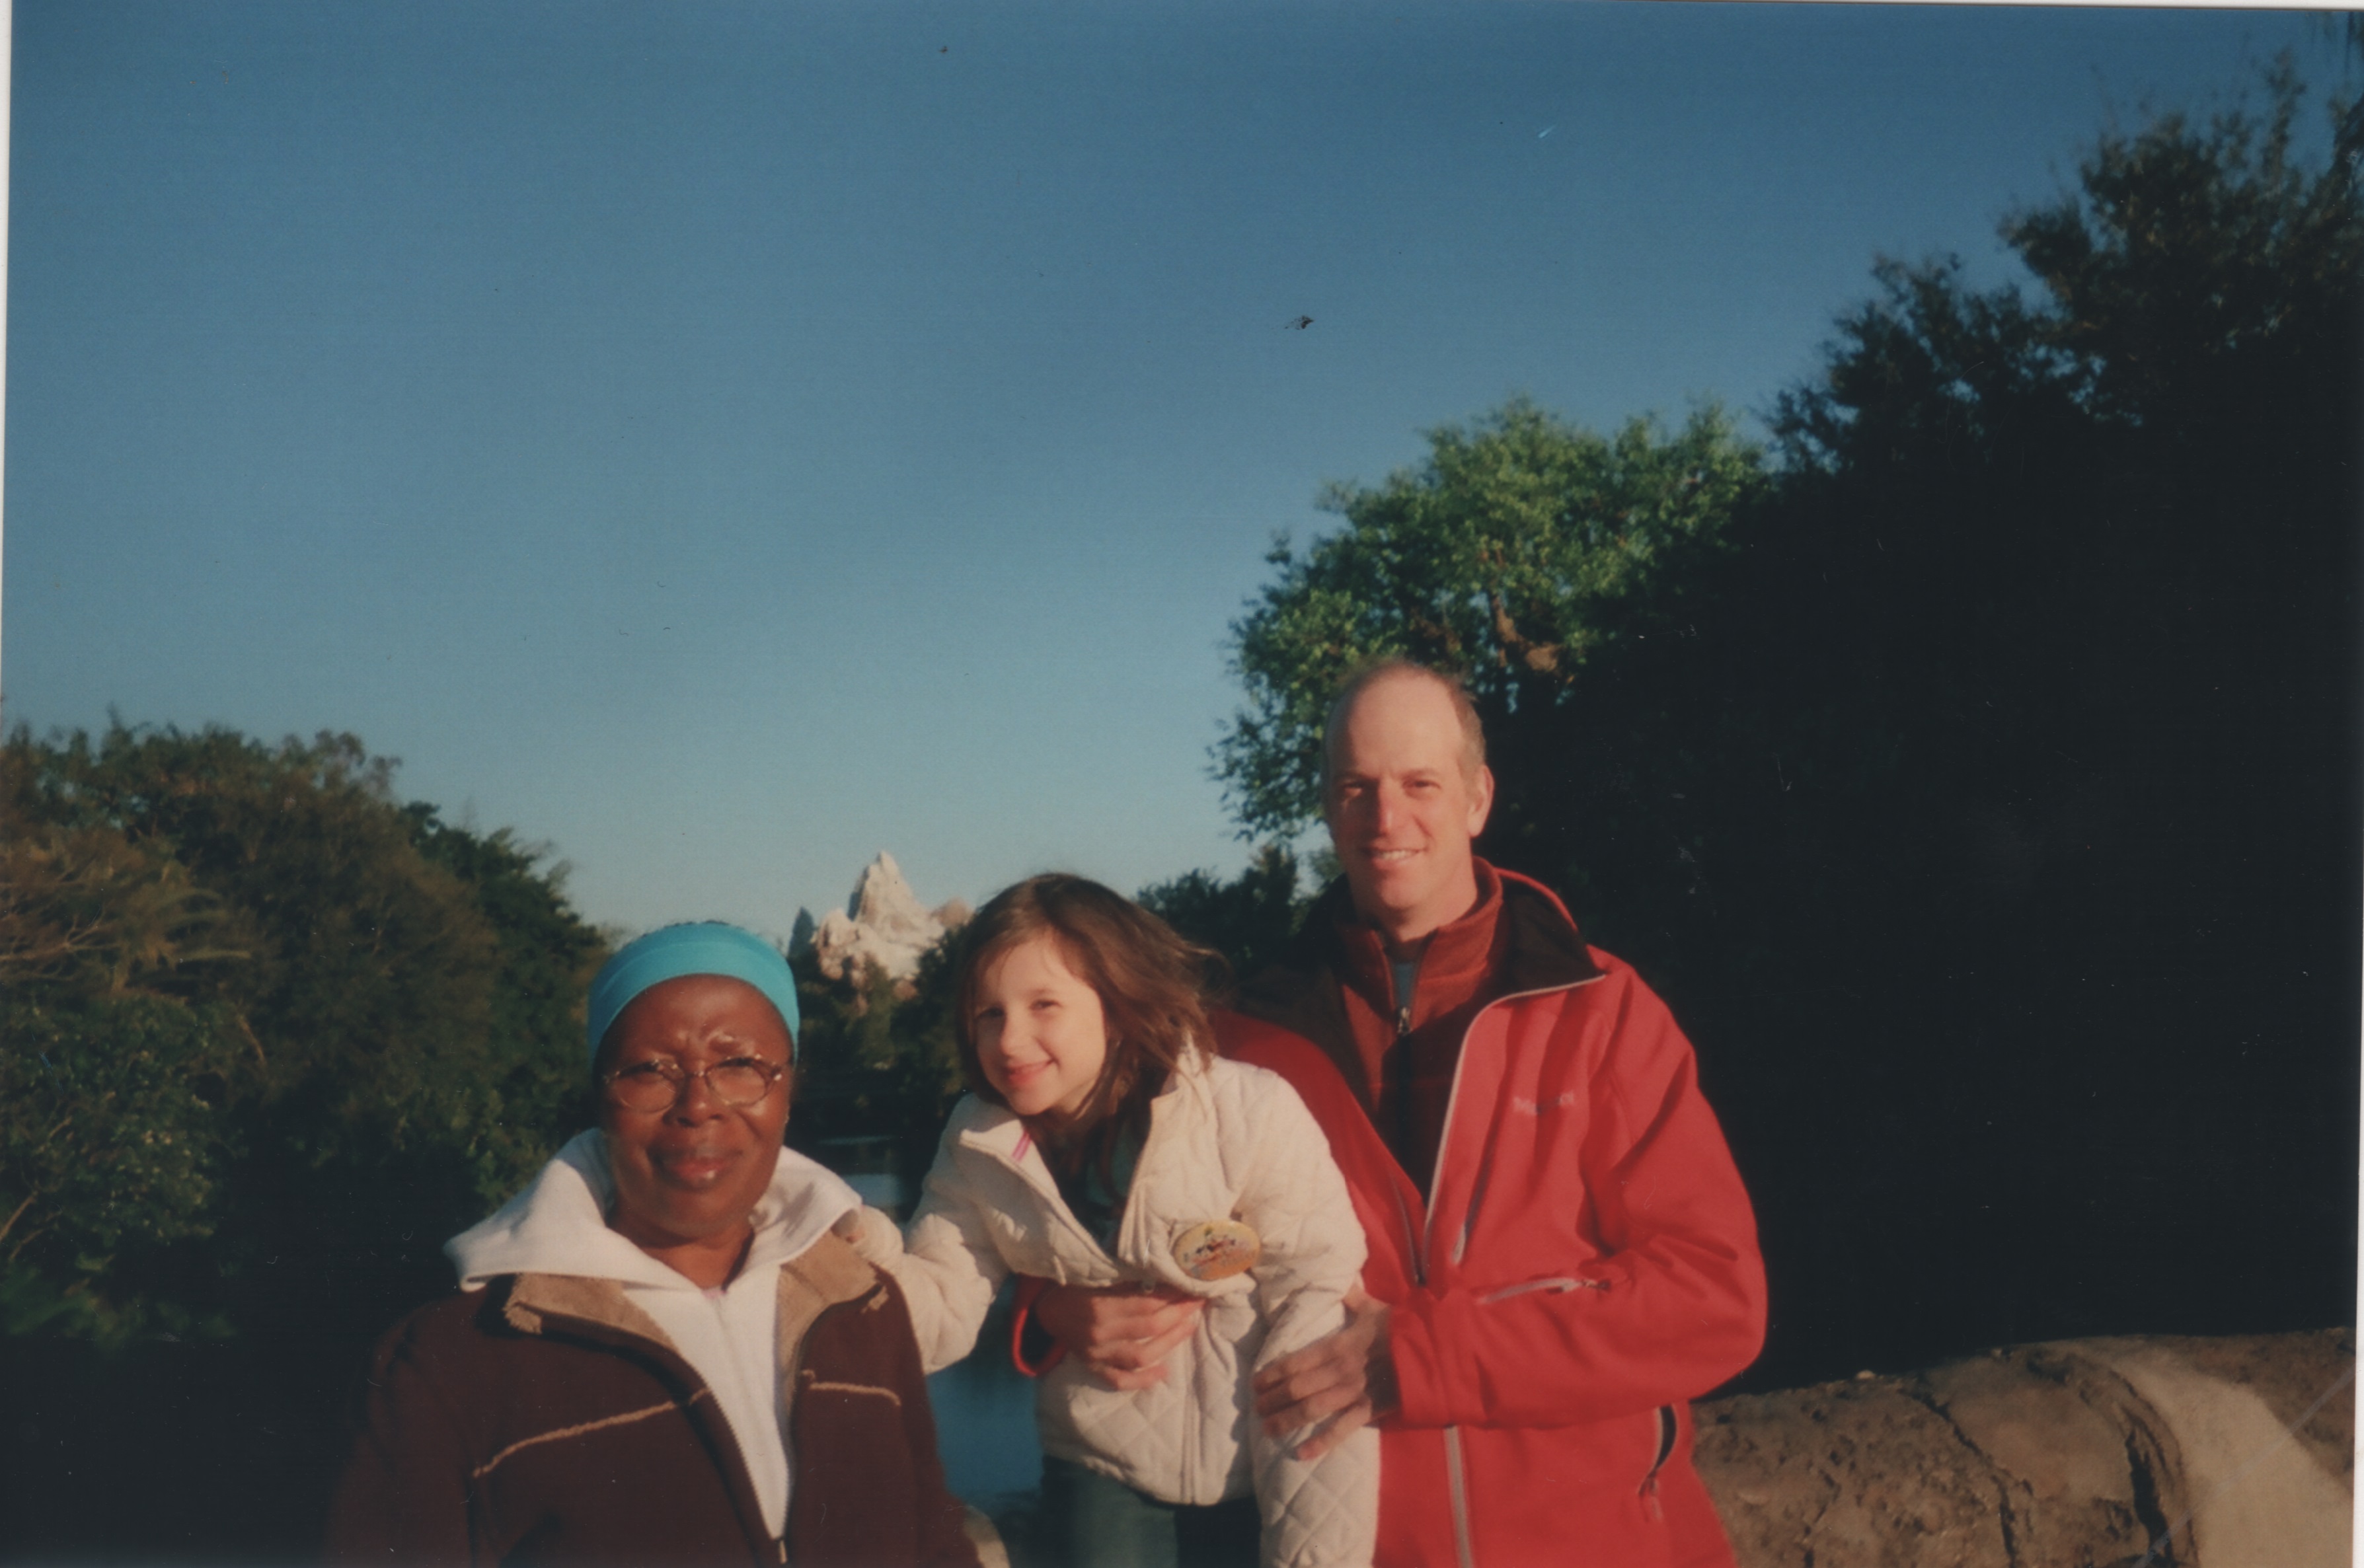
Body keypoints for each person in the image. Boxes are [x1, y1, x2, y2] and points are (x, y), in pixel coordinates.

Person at [1026, 662, 1768, 1567]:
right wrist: (1057, 1302)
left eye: (1421, 784)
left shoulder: (1601, 1010)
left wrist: (1425, 1356)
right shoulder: (1242, 1038)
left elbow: (1712, 1299)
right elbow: (1143, 1218)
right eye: (1357, 788)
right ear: (1328, 807)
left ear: (1477, 798)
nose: (1387, 819)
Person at [323, 922, 981, 1568]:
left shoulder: (861, 1305)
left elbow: (933, 1541)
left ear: (787, 1091)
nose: (698, 1104)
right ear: (598, 1096)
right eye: (648, 1071)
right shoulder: (448, 1367)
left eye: (740, 1066)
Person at [853, 875, 1377, 1568]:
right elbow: (942, 1304)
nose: (1011, 1039)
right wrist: (860, 1258)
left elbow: (1317, 1308)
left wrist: (1312, 1551)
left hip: (1261, 1456)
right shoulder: (979, 1144)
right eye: (988, 1014)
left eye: (1045, 1005)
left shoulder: (1245, 1113)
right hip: (1101, 1466)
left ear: (1118, 1006)